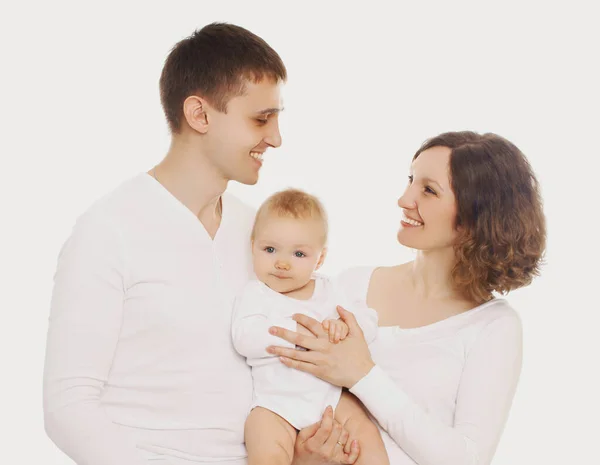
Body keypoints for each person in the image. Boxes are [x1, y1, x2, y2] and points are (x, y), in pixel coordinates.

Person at [43, 23, 355, 465]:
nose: (277, 137)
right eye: (261, 119)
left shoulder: (261, 235)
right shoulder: (108, 230)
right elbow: (67, 406)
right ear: (200, 114)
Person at [267, 131, 546, 464]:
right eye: (411, 180)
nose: (404, 198)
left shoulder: (494, 326)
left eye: (428, 190)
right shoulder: (350, 287)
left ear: (476, 216)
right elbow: (288, 391)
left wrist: (362, 373)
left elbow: (466, 458)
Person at [231, 188, 388, 465]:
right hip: (276, 403)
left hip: (331, 397)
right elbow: (244, 338)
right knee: (263, 442)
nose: (281, 263)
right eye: (269, 249)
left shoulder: (329, 289)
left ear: (320, 258)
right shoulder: (256, 294)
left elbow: (368, 320)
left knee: (366, 434)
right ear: (252, 245)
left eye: (299, 254)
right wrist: (299, 336)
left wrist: (343, 326)